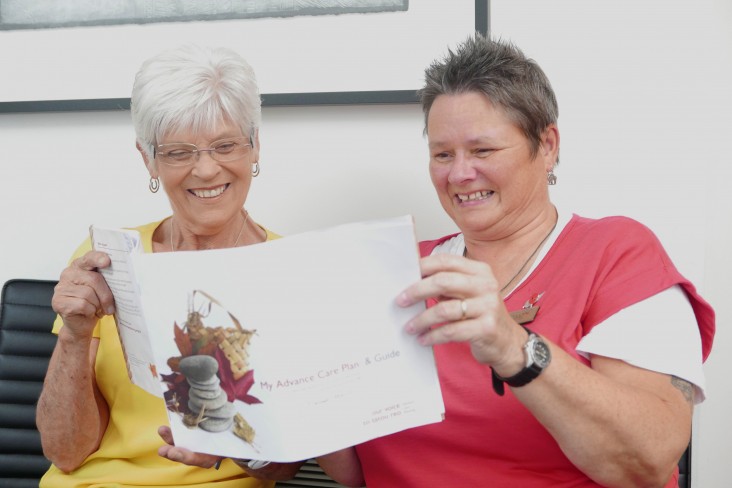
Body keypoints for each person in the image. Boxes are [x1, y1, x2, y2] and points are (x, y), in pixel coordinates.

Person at [328, 33, 716, 487]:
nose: (459, 173)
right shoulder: (397, 272)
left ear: (547, 144)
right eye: (442, 154)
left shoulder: (618, 254)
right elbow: (356, 475)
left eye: (483, 150)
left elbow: (646, 464)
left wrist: (514, 348)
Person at [36, 45, 303, 487]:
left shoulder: (292, 269)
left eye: (225, 145)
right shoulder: (106, 259)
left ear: (255, 147)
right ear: (148, 159)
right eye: (179, 152)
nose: (205, 169)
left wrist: (233, 445)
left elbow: (287, 465)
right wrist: (74, 334)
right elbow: (66, 452)